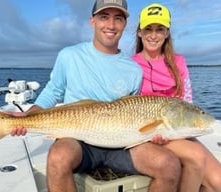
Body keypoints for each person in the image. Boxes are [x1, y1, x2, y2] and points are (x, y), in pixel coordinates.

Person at [11, 1, 183, 192]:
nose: (111, 25)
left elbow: (134, 110)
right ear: (92, 21)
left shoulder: (133, 70)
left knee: (169, 165)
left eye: (118, 18)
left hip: (122, 143)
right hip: (78, 138)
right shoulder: (69, 55)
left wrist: (154, 134)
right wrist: (28, 117)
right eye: (104, 17)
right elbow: (52, 91)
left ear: (125, 24)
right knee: (59, 156)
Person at [132, 3, 221, 192]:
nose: (153, 35)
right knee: (196, 157)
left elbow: (186, 101)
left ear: (167, 33)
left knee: (218, 183)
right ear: (139, 32)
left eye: (159, 29)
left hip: (175, 128)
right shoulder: (130, 65)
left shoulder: (178, 62)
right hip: (149, 132)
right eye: (148, 29)